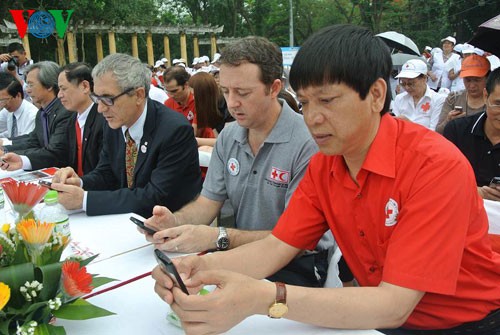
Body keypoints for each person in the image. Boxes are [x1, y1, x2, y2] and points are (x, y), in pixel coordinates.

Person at [152, 24, 500, 334]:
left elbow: (395, 303)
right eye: (304, 102)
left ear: (376, 94)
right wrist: (197, 268)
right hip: (376, 318)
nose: (313, 118)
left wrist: (265, 297)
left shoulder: (434, 166)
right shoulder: (326, 165)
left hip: (466, 322)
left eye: (328, 100)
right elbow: (276, 247)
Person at [145, 36, 334, 288]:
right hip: (242, 258)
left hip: (297, 268)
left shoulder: (308, 144)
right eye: (225, 91)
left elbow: (297, 241)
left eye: (243, 93)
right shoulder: (230, 135)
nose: (232, 103)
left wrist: (219, 237)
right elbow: (208, 202)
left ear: (274, 88)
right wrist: (175, 222)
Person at [50, 53, 201, 218]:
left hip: (169, 226)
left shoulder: (174, 130)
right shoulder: (115, 122)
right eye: (97, 98)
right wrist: (79, 182)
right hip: (127, 220)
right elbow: (106, 172)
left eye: (107, 99)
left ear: (138, 95)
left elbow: (155, 196)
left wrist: (85, 200)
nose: (100, 109)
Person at [0, 61, 72, 171]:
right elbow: (33, 140)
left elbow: (55, 152)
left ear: (48, 86)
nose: (27, 90)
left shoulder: (65, 112)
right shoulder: (42, 113)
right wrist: (5, 150)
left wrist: (20, 159)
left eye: (31, 85)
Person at [443, 67, 500, 201]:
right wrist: (473, 191)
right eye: (498, 104)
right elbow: (440, 178)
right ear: (486, 96)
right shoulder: (457, 131)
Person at [57, 62, 105, 176]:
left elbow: (104, 173)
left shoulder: (104, 121)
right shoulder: (71, 120)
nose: (59, 95)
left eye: (63, 89)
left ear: (85, 86)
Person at [436, 54, 490, 133]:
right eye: (467, 80)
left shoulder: (494, 101)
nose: (471, 86)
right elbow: (438, 131)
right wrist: (448, 121)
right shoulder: (453, 98)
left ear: (488, 78)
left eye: (477, 80)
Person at [392, 59, 446, 131]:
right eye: (403, 83)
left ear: (424, 78)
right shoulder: (399, 99)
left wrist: (410, 125)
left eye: (411, 83)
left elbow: (434, 133)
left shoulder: (437, 100)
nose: (407, 87)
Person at [187, 72, 223, 147]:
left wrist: (193, 141)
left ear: (203, 93)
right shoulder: (204, 108)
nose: (193, 98)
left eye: (194, 95)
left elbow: (224, 141)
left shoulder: (224, 106)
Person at [0, 72, 37, 140]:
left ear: (18, 95)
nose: (3, 105)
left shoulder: (32, 116)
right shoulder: (8, 110)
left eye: (4, 100)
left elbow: (26, 143)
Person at [163, 66, 197, 132]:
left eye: (174, 91)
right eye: (168, 91)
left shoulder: (198, 102)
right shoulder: (168, 104)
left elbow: (193, 134)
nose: (171, 95)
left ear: (186, 85)